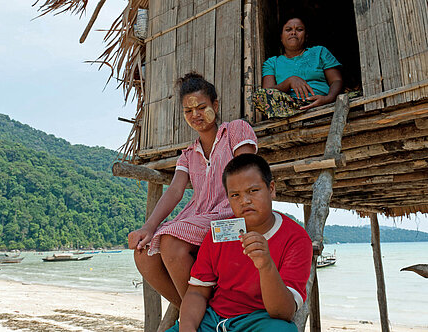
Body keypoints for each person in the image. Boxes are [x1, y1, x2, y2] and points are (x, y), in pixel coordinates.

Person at [128, 72, 258, 308]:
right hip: (201, 220)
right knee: (143, 252)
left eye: (201, 107)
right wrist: (147, 227)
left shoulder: (236, 131)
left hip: (234, 222)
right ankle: (193, 312)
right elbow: (175, 191)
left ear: (215, 106)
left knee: (169, 240)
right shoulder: (188, 154)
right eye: (188, 111)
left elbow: (249, 175)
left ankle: (195, 314)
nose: (195, 115)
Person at [168, 154, 312, 331]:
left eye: (253, 191)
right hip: (213, 319)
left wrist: (266, 265)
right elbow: (198, 291)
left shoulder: (296, 239)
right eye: (235, 195)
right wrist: (187, 328)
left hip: (259, 321)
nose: (245, 201)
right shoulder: (220, 232)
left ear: (271, 189)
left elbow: (283, 313)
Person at [255, 17, 343, 119]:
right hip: (289, 108)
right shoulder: (272, 63)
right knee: (259, 95)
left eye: (299, 29)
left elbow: (336, 80)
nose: (293, 33)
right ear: (281, 37)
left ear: (306, 36)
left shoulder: (320, 52)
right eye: (288, 30)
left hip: (322, 103)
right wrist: (289, 82)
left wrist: (329, 98)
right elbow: (266, 93)